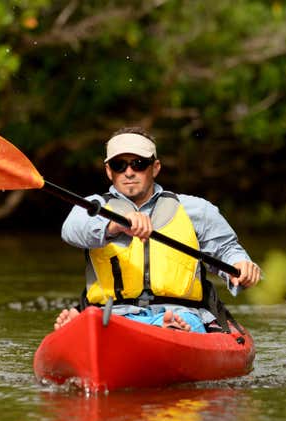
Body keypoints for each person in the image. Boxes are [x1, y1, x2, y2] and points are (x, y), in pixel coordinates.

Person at [54, 126, 261, 333]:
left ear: (155, 167)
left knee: (182, 321)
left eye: (139, 164)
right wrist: (114, 225)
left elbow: (227, 250)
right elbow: (71, 231)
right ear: (109, 171)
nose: (129, 172)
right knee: (100, 320)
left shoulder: (196, 209)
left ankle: (169, 328)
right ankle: (87, 326)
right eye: (119, 165)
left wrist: (240, 265)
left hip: (181, 312)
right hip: (113, 315)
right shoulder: (92, 207)